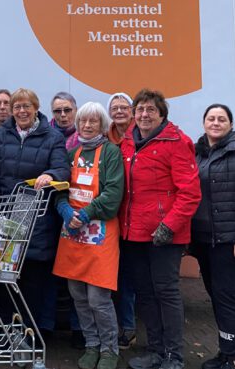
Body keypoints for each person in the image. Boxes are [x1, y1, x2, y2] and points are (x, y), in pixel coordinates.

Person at [119, 89, 201, 369]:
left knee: (166, 292)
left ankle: (174, 355)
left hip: (164, 236)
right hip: (133, 233)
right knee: (145, 293)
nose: (144, 115)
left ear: (162, 114)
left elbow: (190, 193)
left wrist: (169, 226)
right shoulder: (128, 142)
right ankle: (155, 350)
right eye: (139, 109)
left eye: (150, 110)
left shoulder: (178, 142)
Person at [0, 88, 71, 334]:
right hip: (5, 216)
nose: (21, 111)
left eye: (26, 106)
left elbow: (62, 168)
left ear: (35, 108)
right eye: (17, 107)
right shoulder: (3, 134)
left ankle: (30, 333)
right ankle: (4, 330)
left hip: (37, 219)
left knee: (32, 281)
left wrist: (49, 174)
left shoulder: (52, 137)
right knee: (1, 277)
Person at [190, 104, 235, 369]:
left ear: (231, 125)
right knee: (218, 296)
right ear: (204, 123)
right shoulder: (199, 155)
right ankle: (225, 352)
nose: (216, 122)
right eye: (211, 118)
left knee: (228, 297)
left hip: (231, 242)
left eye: (222, 119)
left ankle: (233, 359)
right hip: (205, 243)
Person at [53, 102, 125, 369]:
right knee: (77, 294)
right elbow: (60, 188)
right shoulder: (71, 153)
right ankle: (91, 344)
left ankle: (109, 349)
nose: (86, 125)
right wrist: (63, 209)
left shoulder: (111, 153)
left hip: (101, 232)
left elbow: (113, 194)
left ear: (102, 125)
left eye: (93, 121)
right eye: (83, 121)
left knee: (98, 297)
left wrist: (85, 214)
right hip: (72, 232)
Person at [105, 91, 137, 350]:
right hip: (109, 216)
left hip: (134, 216)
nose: (119, 111)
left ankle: (128, 326)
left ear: (133, 110)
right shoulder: (107, 138)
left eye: (123, 107)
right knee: (112, 275)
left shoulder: (140, 136)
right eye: (114, 107)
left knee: (128, 275)